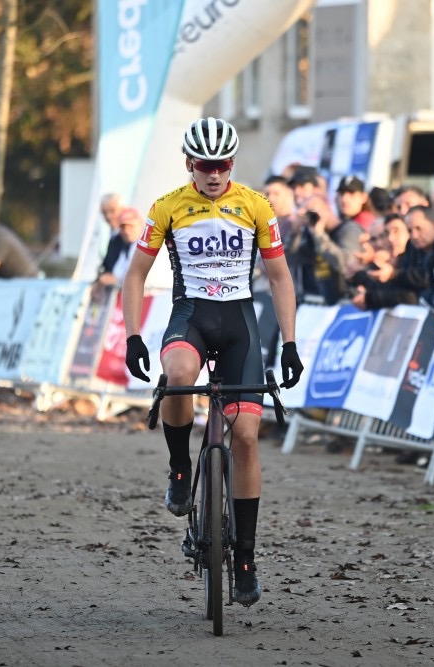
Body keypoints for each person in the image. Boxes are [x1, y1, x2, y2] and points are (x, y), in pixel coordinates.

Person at [122, 117, 303, 608]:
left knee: (245, 437)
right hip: (192, 317)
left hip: (240, 324)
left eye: (223, 165)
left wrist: (289, 342)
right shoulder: (168, 207)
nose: (215, 174)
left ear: (232, 164)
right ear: (190, 165)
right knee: (178, 376)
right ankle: (181, 466)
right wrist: (134, 336)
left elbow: (281, 278)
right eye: (206, 166)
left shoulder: (256, 205)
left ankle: (244, 556)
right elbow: (135, 274)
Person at [96, 208, 144, 286]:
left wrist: (115, 280)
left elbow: (141, 278)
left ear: (140, 225)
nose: (126, 231)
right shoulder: (122, 248)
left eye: (131, 226)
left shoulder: (148, 249)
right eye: (123, 227)